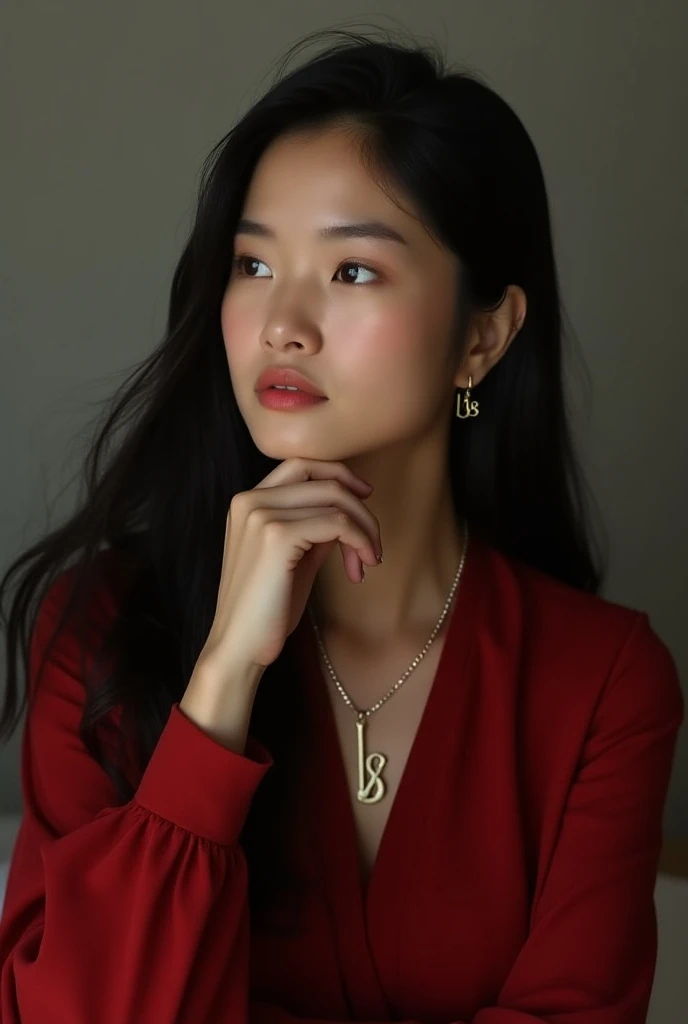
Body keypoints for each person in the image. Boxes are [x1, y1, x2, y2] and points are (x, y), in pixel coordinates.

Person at [0, 26, 683, 1024]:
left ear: (481, 339)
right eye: (251, 263)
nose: (283, 321)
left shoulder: (604, 687)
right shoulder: (101, 627)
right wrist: (222, 679)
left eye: (353, 270)